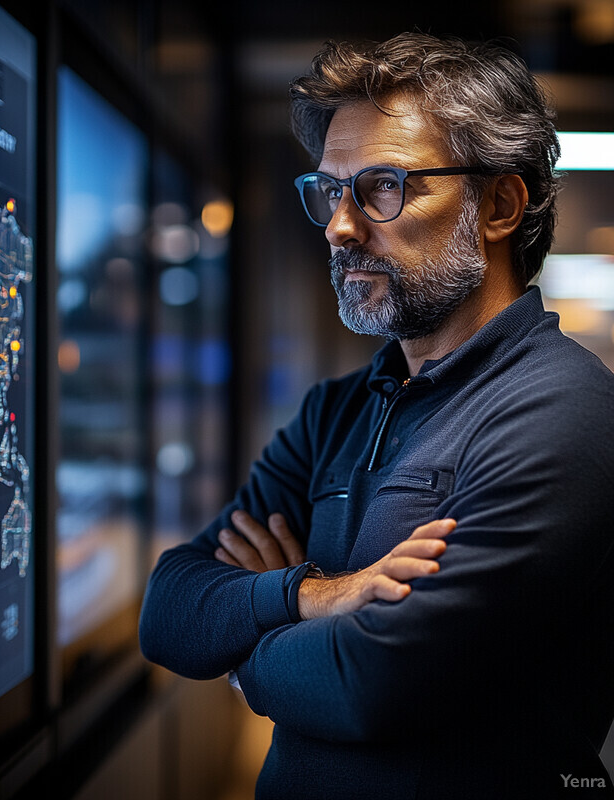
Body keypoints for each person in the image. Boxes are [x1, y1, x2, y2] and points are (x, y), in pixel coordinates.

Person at [139, 32, 614, 798]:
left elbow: (374, 681)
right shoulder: (337, 410)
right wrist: (312, 595)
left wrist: (242, 656)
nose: (340, 226)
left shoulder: (566, 414)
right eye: (331, 190)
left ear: (499, 205)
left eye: (383, 186)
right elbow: (167, 609)